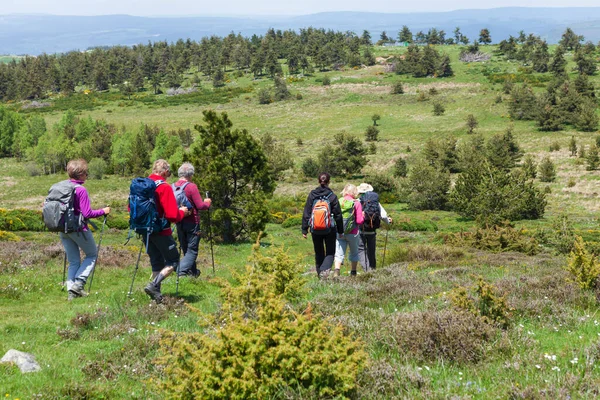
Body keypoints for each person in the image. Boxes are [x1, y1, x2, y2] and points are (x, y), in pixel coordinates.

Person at [59, 159, 110, 300]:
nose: (87, 176)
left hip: (63, 229)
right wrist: (103, 211)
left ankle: (71, 292)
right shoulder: (81, 190)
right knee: (92, 255)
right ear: (80, 174)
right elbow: (87, 213)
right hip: (78, 229)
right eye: (86, 173)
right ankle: (79, 284)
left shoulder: (63, 187)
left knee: (74, 261)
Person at [143, 159, 188, 303]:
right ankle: (153, 285)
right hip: (161, 230)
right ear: (165, 172)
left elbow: (130, 208)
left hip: (145, 230)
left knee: (156, 262)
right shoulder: (164, 187)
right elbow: (172, 215)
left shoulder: (142, 185)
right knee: (173, 261)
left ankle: (156, 295)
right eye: (169, 172)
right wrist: (183, 212)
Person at [172, 162, 211, 278]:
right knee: (192, 250)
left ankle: (192, 273)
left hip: (179, 220)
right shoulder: (191, 186)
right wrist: (207, 203)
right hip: (192, 222)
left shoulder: (172, 186)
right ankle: (181, 270)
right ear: (190, 174)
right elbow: (200, 206)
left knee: (185, 248)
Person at [301, 172, 343, 278]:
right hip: (330, 229)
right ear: (329, 181)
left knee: (318, 251)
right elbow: (338, 215)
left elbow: (307, 212)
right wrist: (341, 230)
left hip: (315, 229)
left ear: (318, 181)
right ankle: (324, 272)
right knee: (330, 252)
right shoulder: (332, 196)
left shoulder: (312, 195)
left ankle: (320, 275)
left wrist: (304, 229)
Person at [357, 183, 393, 271]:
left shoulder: (358, 201)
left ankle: (366, 270)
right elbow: (383, 216)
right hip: (372, 230)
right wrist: (388, 222)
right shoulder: (376, 202)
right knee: (371, 250)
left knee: (361, 249)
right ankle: (373, 270)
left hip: (361, 229)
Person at [333, 184, 364, 277]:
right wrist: (363, 216)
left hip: (340, 231)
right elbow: (359, 221)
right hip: (353, 232)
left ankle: (337, 271)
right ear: (354, 192)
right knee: (354, 252)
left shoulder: (339, 201)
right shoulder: (356, 203)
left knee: (339, 252)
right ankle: (353, 272)